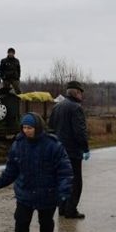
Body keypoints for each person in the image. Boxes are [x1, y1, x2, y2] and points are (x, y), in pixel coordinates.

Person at [0, 113, 73, 232]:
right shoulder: (18, 145)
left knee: (46, 225)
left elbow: (64, 171)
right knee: (21, 224)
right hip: (25, 193)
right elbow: (12, 169)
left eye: (30, 128)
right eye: (24, 127)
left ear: (38, 127)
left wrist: (64, 192)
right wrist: (0, 182)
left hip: (47, 193)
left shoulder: (53, 145)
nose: (26, 131)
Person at [48, 80, 90, 219]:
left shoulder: (57, 106)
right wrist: (85, 148)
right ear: (76, 93)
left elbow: (50, 127)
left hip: (58, 151)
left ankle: (62, 208)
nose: (82, 96)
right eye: (81, 93)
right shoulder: (76, 108)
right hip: (72, 152)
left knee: (62, 180)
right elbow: (80, 132)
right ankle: (71, 210)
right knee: (75, 182)